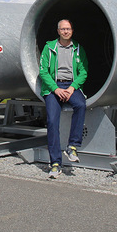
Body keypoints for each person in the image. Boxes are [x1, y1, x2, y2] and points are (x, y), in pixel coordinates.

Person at [38, 19, 88, 178]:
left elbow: (83, 72)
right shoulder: (49, 48)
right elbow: (43, 71)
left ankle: (72, 145)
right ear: (58, 31)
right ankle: (55, 163)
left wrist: (73, 87)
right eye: (62, 29)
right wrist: (56, 89)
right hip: (54, 87)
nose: (66, 31)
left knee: (80, 105)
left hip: (71, 86)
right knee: (52, 121)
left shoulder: (78, 49)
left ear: (72, 30)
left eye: (68, 29)